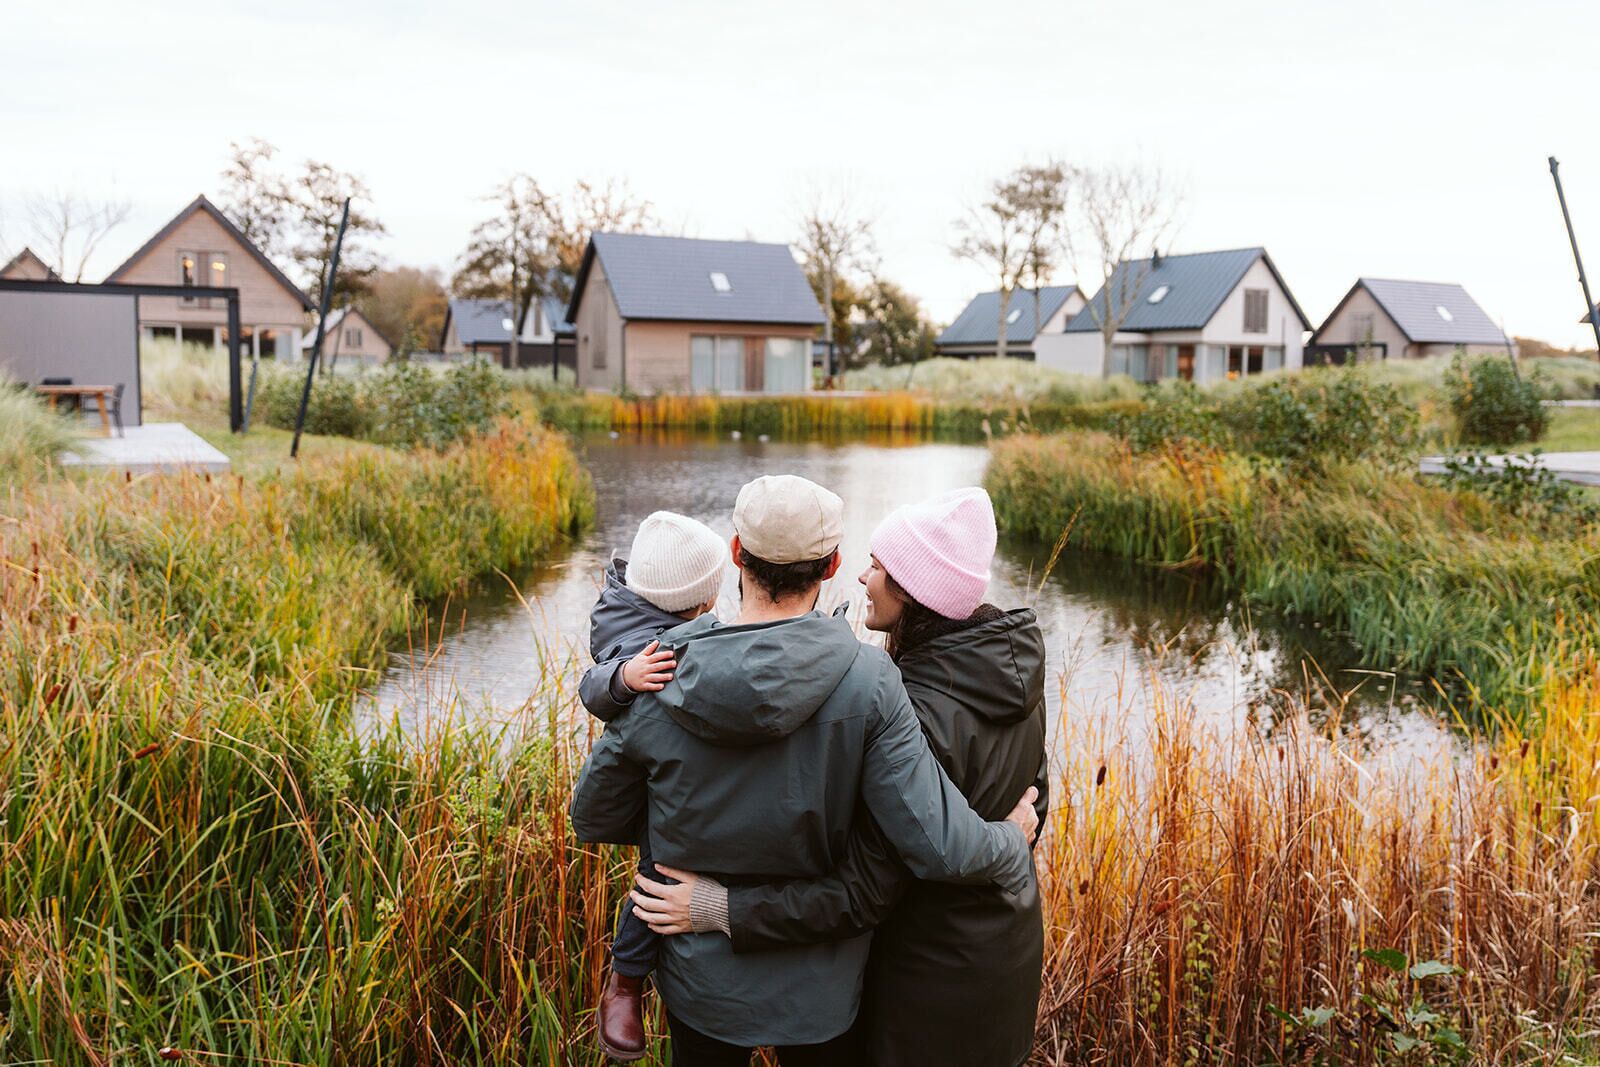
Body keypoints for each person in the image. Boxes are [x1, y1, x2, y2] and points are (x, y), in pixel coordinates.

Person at [569, 475, 1039, 1066]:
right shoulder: (872, 683)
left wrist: (681, 803)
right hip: (822, 994)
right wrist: (1012, 836)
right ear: (832, 565)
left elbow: (591, 814)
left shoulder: (660, 668)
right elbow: (938, 844)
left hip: (703, 981)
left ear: (737, 554)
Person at [575, 510, 728, 1061]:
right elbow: (592, 687)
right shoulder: (637, 640)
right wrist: (623, 677)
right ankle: (626, 980)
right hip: (653, 789)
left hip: (670, 776)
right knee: (659, 868)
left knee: (666, 863)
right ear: (702, 599)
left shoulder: (646, 610)